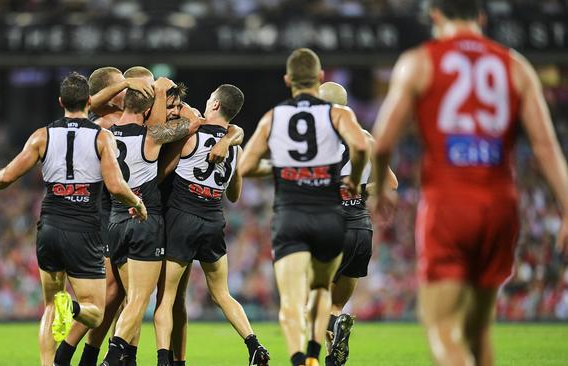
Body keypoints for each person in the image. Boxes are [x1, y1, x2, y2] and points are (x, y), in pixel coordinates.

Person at [371, 1, 568, 365]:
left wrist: (380, 185)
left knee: (443, 328)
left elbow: (382, 142)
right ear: (481, 16)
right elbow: (545, 146)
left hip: (447, 203)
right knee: (479, 332)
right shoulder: (516, 65)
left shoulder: (420, 62)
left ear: (434, 15)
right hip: (501, 206)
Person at [0, 72, 147, 366]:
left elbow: (9, 175)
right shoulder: (101, 137)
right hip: (84, 230)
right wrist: (137, 202)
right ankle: (72, 307)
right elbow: (116, 186)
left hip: (50, 226)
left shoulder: (43, 135)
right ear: (90, 101)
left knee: (50, 305)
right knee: (95, 310)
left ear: (61, 101)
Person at [238, 48, 368, 366]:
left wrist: (281, 168)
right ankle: (314, 352)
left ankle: (300, 360)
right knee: (323, 288)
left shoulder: (274, 116)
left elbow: (245, 166)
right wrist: (352, 183)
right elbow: (362, 145)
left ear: (287, 80)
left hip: (291, 214)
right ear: (320, 78)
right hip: (329, 217)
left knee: (292, 301)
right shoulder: (339, 115)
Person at [53, 66, 169, 366]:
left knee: (116, 295)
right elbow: (90, 99)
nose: (131, 92)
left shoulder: (107, 124)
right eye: (124, 87)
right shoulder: (103, 122)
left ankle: (85, 357)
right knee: (123, 294)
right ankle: (102, 356)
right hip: (110, 212)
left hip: (109, 212)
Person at [154, 84, 271, 366]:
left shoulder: (191, 133)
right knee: (221, 293)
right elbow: (234, 194)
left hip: (182, 217)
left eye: (209, 99)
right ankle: (254, 345)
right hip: (213, 220)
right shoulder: (235, 147)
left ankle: (162, 360)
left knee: (166, 297)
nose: (206, 102)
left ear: (216, 105)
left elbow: (160, 174)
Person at [99, 74, 203, 365]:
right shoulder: (154, 135)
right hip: (146, 219)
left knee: (126, 298)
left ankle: (124, 358)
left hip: (116, 219)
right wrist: (162, 93)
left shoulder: (104, 132)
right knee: (138, 300)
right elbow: (193, 124)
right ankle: (113, 355)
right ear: (149, 107)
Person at [318, 82, 398, 366]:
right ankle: (333, 358)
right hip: (360, 229)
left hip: (328, 228)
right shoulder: (366, 139)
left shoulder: (314, 143)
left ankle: (329, 328)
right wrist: (360, 191)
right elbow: (391, 183)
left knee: (310, 303)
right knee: (336, 306)